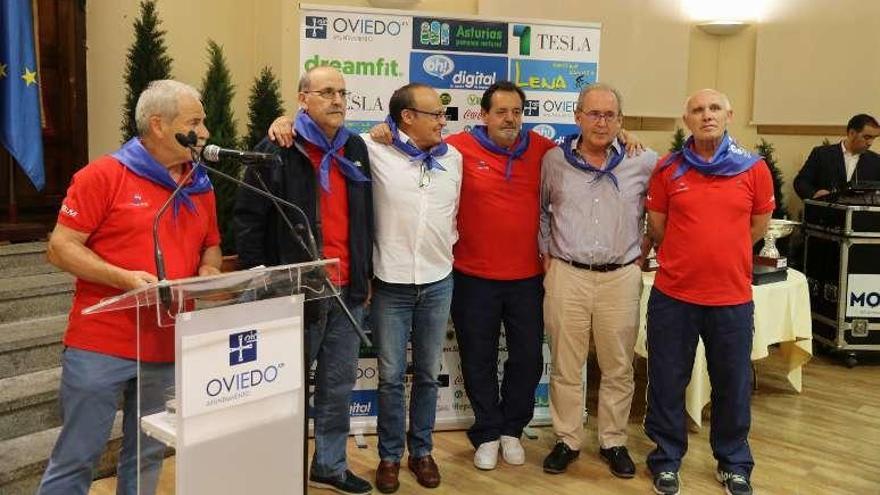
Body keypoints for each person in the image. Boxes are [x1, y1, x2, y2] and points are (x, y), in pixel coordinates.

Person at [267, 83, 462, 493]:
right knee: (390, 377)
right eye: (435, 115)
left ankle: (421, 452)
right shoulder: (370, 149)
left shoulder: (454, 158)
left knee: (427, 374)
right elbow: (325, 133)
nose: (443, 121)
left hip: (437, 280)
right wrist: (282, 122)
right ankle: (389, 457)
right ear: (407, 117)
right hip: (388, 283)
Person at [38, 80, 222, 495]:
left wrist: (209, 271)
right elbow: (59, 248)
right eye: (195, 121)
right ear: (158, 125)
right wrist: (123, 278)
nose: (206, 131)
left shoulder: (199, 183)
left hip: (166, 342)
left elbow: (211, 245)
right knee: (77, 457)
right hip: (100, 344)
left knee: (148, 454)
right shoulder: (103, 174)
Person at [234, 66, 374, 495]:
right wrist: (262, 283)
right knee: (284, 390)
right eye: (327, 92)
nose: (337, 100)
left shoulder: (354, 146)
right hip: (294, 294)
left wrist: (364, 275)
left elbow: (365, 215)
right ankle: (277, 472)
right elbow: (248, 220)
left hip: (347, 291)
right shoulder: (277, 147)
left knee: (337, 386)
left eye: (343, 92)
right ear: (303, 99)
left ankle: (330, 465)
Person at [644, 89, 774, 495]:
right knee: (666, 381)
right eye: (698, 110)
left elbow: (757, 229)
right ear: (687, 119)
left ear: (729, 115)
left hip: (731, 300)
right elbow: (659, 229)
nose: (706, 116)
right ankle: (666, 459)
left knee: (732, 384)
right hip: (674, 297)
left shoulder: (754, 169)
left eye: (714, 108)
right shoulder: (668, 169)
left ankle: (734, 461)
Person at [538, 83, 656, 480]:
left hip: (620, 276)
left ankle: (612, 440)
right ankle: (568, 439)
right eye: (593, 113)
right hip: (567, 273)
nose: (601, 121)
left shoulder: (644, 161)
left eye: (610, 115)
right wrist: (546, 255)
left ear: (621, 122)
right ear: (577, 117)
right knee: (566, 365)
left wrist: (644, 252)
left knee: (618, 366)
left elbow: (661, 211)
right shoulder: (553, 161)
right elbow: (541, 210)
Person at [441, 82, 556, 471]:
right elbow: (408, 147)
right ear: (484, 115)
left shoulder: (542, 149)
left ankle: (512, 429)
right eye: (501, 112)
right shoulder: (456, 147)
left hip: (527, 279)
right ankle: (488, 431)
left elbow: (588, 147)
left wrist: (624, 134)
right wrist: (384, 130)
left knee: (526, 359)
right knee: (478, 359)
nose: (510, 119)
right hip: (473, 277)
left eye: (516, 112)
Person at [794, 113, 880, 200]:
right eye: (867, 137)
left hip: (859, 213)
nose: (870, 143)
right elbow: (801, 182)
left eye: (874, 138)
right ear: (852, 133)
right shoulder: (822, 154)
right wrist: (814, 194)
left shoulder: (876, 161)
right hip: (825, 211)